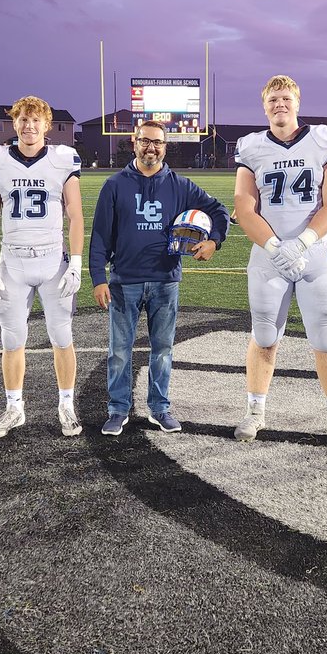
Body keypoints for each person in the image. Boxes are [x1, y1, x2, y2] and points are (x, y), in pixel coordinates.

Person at [231, 75, 327, 447]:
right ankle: (254, 412)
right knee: (264, 336)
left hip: (316, 251)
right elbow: (244, 204)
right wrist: (275, 247)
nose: (279, 104)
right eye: (272, 99)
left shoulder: (323, 138)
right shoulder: (252, 146)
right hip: (267, 254)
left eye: (285, 98)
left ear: (298, 103)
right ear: (264, 106)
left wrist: (302, 242)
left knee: (326, 336)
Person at [89, 120, 229, 436]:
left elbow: (219, 210)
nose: (151, 147)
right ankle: (118, 409)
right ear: (134, 143)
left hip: (165, 280)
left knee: (163, 349)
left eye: (158, 143)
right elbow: (99, 237)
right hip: (124, 281)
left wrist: (213, 241)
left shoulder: (180, 185)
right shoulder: (114, 185)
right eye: (145, 141)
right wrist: (99, 278)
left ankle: (160, 408)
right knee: (120, 350)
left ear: (165, 147)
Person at [0, 96, 85, 439]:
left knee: (61, 335)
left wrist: (77, 262)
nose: (29, 126)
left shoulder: (62, 159)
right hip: (13, 260)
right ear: (15, 123)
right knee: (12, 339)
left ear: (47, 124)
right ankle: (14, 408)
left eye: (35, 120)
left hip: (53, 259)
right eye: (23, 119)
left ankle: (66, 406)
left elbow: (75, 214)